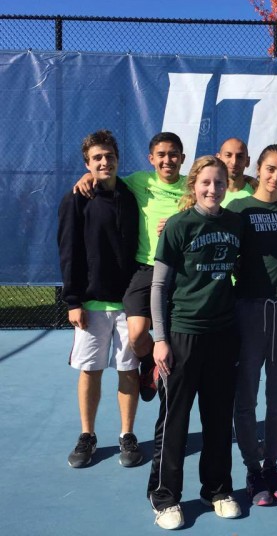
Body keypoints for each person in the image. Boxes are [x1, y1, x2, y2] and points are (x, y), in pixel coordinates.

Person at [147, 156, 243, 530]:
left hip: (223, 335)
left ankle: (217, 489)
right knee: (175, 419)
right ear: (194, 185)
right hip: (183, 334)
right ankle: (165, 496)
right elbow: (159, 286)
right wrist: (160, 339)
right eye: (206, 182)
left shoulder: (235, 223)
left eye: (219, 182)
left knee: (219, 417)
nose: (212, 189)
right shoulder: (178, 224)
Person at [74, 132, 187, 402]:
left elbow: (219, 195)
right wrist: (88, 177)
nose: (167, 160)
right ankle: (148, 364)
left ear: (182, 159)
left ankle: (174, 388)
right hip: (145, 270)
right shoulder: (137, 182)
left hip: (182, 272)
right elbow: (106, 179)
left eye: (173, 154)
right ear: (151, 159)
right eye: (161, 155)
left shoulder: (193, 186)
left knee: (179, 341)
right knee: (136, 335)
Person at [228, 144, 277, 507]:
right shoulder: (239, 208)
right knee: (245, 396)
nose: (276, 177)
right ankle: (251, 467)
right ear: (257, 169)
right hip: (250, 312)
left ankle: (272, 464)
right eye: (270, 169)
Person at [58, 129, 142, 469]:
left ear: (118, 159)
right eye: (97, 158)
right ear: (87, 163)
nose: (104, 162)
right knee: (91, 371)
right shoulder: (75, 199)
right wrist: (73, 300)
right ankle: (88, 435)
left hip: (130, 304)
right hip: (91, 305)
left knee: (129, 370)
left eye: (109, 156)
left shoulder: (131, 193)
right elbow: (68, 251)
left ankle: (127, 435)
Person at [216, 137, 257, 207]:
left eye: (240, 156)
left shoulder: (257, 194)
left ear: (247, 161)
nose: (234, 162)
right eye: (228, 155)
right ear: (218, 159)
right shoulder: (210, 193)